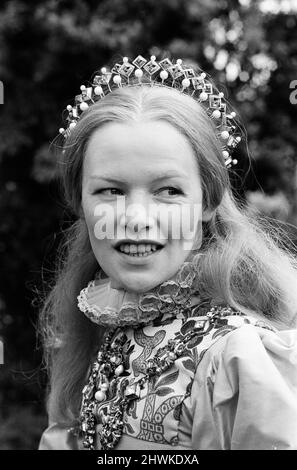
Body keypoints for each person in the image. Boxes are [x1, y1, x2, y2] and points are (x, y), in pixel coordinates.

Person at [38, 55, 297, 450]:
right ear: (80, 203)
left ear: (208, 202)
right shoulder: (91, 337)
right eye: (111, 190)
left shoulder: (239, 358)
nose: (137, 217)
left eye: (168, 191)